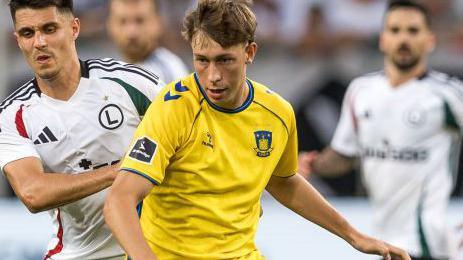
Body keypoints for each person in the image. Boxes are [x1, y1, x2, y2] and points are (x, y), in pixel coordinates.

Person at [103, 0, 410, 259]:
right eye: (202, 61)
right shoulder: (173, 107)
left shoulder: (276, 113)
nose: (212, 76)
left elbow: (284, 182)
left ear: (249, 52)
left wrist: (354, 237)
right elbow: (119, 200)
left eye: (225, 61)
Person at [298, 1, 463, 259]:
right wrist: (313, 164)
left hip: (430, 244)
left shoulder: (447, 95)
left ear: (430, 40)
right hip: (382, 243)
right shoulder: (361, 91)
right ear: (383, 39)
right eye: (395, 30)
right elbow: (344, 154)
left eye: (413, 30)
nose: (403, 39)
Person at [0, 0, 163, 259]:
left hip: (150, 247)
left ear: (74, 28)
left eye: (50, 29)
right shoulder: (13, 115)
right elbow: (33, 192)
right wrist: (119, 172)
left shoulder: (131, 83)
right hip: (78, 253)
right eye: (28, 33)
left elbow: (189, 136)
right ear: (17, 39)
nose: (39, 42)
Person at [107, 0, 189, 84]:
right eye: (122, 21)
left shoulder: (169, 74)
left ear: (158, 23)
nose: (131, 32)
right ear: (110, 25)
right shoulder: (102, 71)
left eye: (140, 21)